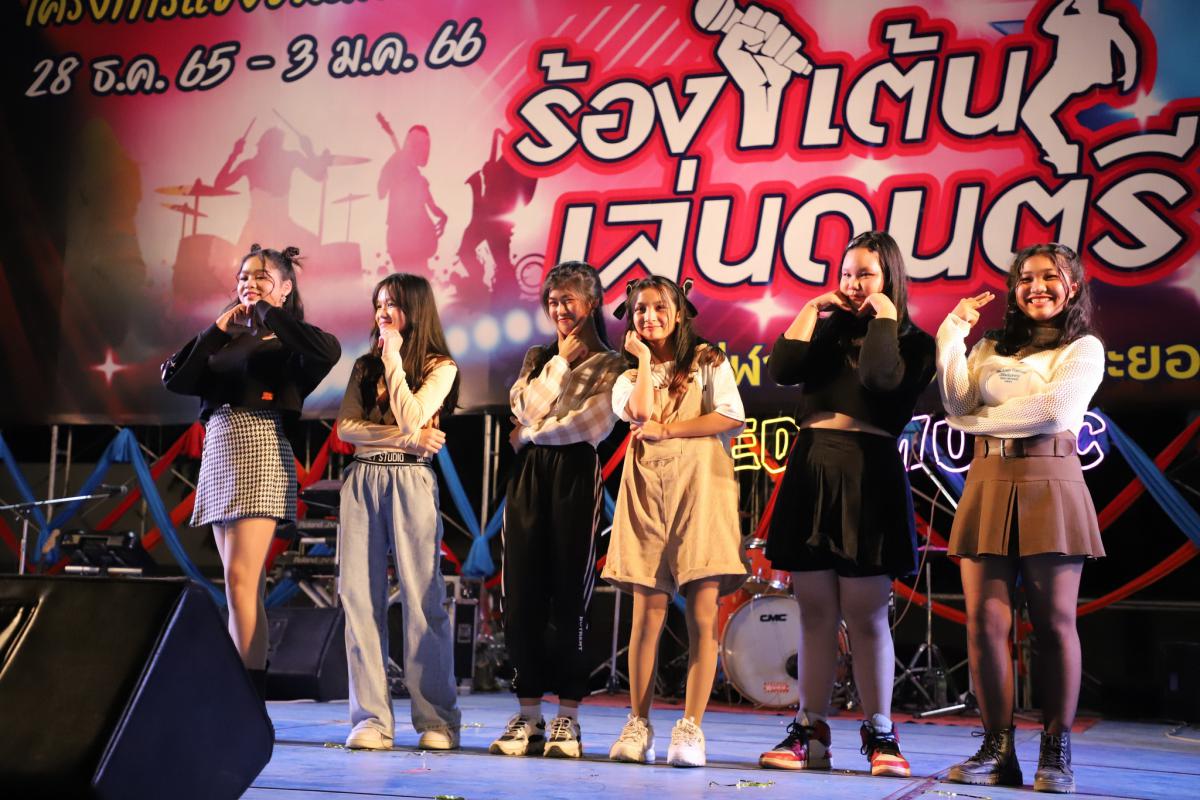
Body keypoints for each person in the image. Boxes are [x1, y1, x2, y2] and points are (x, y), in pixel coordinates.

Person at [757, 231, 935, 778]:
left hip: (868, 473)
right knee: (814, 612)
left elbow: (879, 378)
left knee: (866, 613)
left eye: (866, 275)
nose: (853, 285)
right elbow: (782, 368)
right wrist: (812, 309)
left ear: (890, 278)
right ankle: (809, 730)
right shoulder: (827, 329)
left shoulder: (914, 342)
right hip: (812, 466)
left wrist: (885, 316)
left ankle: (880, 732)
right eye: (847, 274)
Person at [937, 244, 1105, 794]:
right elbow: (956, 404)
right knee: (984, 624)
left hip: (1049, 479)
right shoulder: (988, 346)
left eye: (1050, 277)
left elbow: (1053, 412)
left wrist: (976, 422)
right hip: (988, 480)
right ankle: (996, 749)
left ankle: (1056, 751)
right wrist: (951, 334)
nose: (1037, 287)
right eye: (1025, 278)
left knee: (1054, 624)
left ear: (1072, 286)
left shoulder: (1083, 348)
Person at [162, 244, 340, 692]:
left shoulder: (289, 340)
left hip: (259, 448)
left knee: (241, 578)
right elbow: (176, 378)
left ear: (285, 288)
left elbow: (327, 351)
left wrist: (265, 311)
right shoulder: (227, 337)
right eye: (244, 277)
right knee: (238, 584)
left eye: (262, 277)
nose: (249, 284)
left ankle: (246, 694)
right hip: (219, 450)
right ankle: (242, 691)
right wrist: (216, 330)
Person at [602, 276, 747, 768]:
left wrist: (670, 430)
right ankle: (638, 723)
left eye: (660, 307)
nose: (649, 316)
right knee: (647, 615)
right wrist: (644, 360)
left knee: (702, 614)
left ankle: (690, 728)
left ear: (680, 312)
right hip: (647, 491)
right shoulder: (627, 375)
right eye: (640, 309)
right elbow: (640, 412)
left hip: (702, 489)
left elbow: (730, 415)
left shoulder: (708, 360)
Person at [489, 261, 626, 759]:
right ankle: (528, 716)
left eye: (568, 299)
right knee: (521, 596)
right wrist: (559, 367)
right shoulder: (539, 356)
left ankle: (569, 716)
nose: (559, 309)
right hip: (529, 478)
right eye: (552, 300)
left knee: (570, 596)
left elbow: (589, 426)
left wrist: (528, 433)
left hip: (575, 474)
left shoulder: (614, 364)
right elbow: (523, 406)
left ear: (592, 303)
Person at [335, 273, 462, 751]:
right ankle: (371, 719)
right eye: (379, 304)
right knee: (358, 598)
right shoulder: (364, 366)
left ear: (416, 309)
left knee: (422, 598)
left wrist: (393, 360)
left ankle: (437, 720)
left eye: (392, 304)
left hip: (410, 480)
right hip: (363, 478)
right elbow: (347, 429)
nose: (382, 313)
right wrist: (410, 437)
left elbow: (412, 414)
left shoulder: (440, 367)